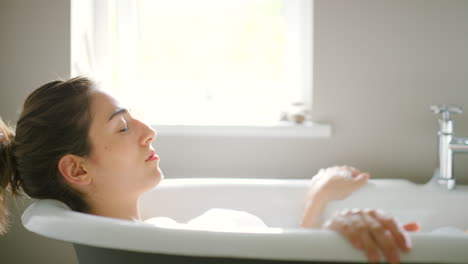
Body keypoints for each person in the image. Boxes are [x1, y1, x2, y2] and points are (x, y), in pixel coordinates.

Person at [0, 76, 416, 263]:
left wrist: (318, 201)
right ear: (77, 169)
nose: (148, 132)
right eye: (123, 127)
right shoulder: (157, 243)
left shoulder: (157, 239)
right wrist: (337, 240)